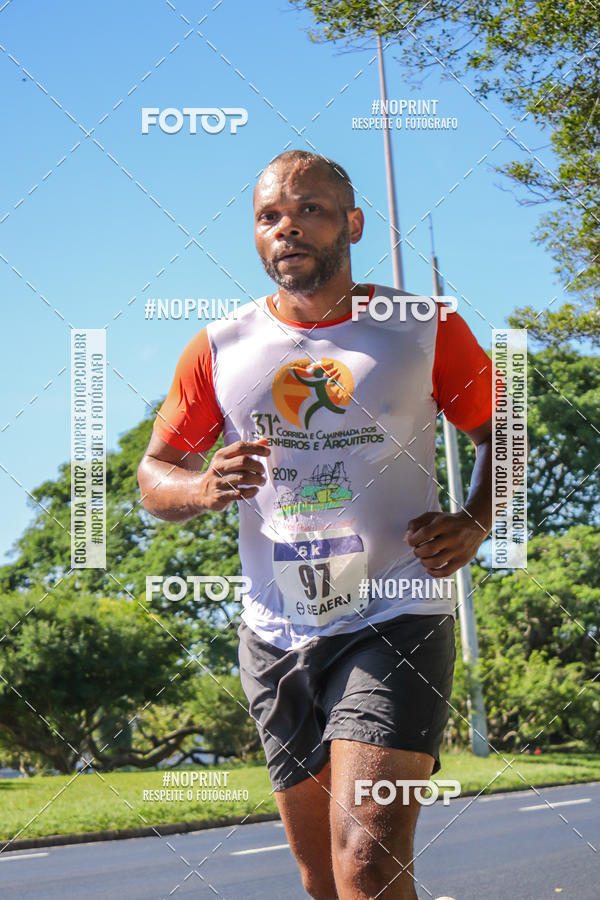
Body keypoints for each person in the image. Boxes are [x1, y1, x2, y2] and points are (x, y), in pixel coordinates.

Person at [137, 150, 493, 900]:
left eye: (310, 211)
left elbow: (508, 428)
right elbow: (152, 478)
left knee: (366, 856)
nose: (287, 229)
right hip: (276, 629)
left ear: (352, 223)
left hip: (397, 610)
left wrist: (477, 519)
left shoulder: (422, 326)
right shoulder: (220, 347)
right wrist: (202, 487)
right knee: (323, 881)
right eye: (270, 217)